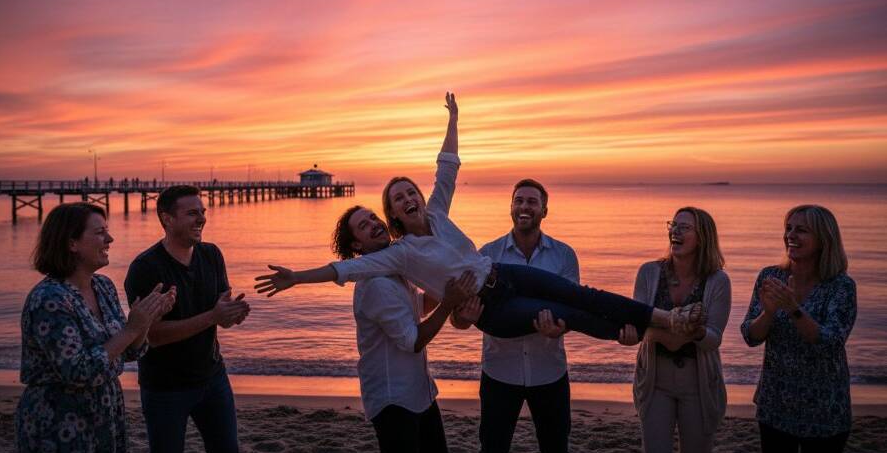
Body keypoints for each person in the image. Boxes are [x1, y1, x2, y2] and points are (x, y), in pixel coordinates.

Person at [256, 93, 704, 342]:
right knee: (562, 311)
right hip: (493, 308)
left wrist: (455, 117)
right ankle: (641, 333)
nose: (409, 197)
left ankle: (664, 320)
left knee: (580, 293)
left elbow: (447, 166)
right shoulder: (400, 256)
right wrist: (297, 277)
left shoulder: (438, 213)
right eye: (398, 198)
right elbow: (346, 269)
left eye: (410, 190)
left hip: (502, 273)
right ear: (393, 212)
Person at [16, 203, 175, 453]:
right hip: (61, 424)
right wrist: (131, 328)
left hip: (106, 417)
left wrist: (147, 319)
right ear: (72, 243)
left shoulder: (103, 286)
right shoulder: (50, 299)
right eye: (100, 233)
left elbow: (127, 353)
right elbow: (78, 371)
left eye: (108, 232)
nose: (110, 240)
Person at [450, 178, 578, 453]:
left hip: (550, 372)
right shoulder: (487, 256)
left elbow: (572, 312)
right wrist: (466, 318)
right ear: (510, 207)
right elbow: (457, 319)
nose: (524, 206)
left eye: (532, 201)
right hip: (499, 373)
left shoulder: (564, 255)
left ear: (544, 210)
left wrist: (558, 329)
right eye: (519, 200)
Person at [334, 205, 474, 453]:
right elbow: (412, 341)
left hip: (418, 389)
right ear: (356, 245)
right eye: (364, 226)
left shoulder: (395, 269)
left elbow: (417, 306)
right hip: (392, 398)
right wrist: (449, 303)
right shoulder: (375, 284)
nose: (374, 224)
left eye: (373, 217)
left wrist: (447, 286)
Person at [124, 185, 250, 453]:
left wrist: (231, 316)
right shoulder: (145, 268)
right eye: (192, 213)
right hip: (166, 387)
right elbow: (152, 335)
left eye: (203, 212)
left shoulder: (211, 255)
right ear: (167, 219)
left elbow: (220, 316)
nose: (202, 219)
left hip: (213, 376)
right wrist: (213, 316)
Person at [740, 204, 856, 453]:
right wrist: (768, 313)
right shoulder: (771, 277)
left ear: (823, 239)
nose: (791, 235)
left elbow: (831, 341)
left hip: (825, 409)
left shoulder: (840, 286)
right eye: (788, 228)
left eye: (801, 230)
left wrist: (793, 309)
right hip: (775, 404)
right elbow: (750, 336)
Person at [618, 207, 730, 453]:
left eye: (683, 227)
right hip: (655, 380)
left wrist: (665, 328)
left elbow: (713, 339)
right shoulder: (649, 273)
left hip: (698, 382)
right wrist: (681, 326)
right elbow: (642, 325)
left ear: (702, 237)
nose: (674, 232)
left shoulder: (718, 281)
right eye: (673, 225)